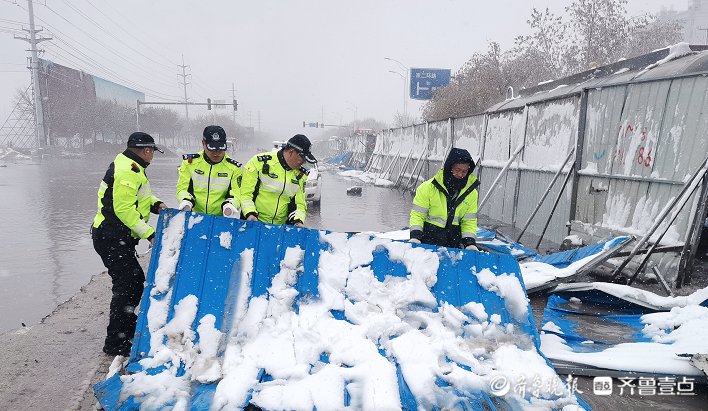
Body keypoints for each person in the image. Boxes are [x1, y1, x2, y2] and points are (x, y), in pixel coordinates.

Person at [91, 131, 167, 356]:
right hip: (111, 237)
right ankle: (116, 341)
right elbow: (123, 209)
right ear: (146, 150)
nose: (152, 155)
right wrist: (150, 234)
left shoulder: (131, 166)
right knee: (129, 285)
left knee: (131, 283)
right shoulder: (128, 171)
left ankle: (125, 332)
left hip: (116, 238)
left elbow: (136, 198)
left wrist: (157, 205)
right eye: (152, 151)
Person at [409, 147, 480, 250]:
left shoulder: (472, 193)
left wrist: (469, 243)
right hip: (427, 244)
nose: (460, 174)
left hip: (454, 245)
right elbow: (418, 215)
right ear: (449, 167)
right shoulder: (427, 188)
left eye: (464, 171)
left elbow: (469, 221)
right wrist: (415, 237)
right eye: (457, 170)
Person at [241, 134, 316, 226]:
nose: (303, 162)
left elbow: (299, 204)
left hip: (280, 230)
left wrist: (297, 221)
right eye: (302, 158)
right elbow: (245, 194)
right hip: (253, 223)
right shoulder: (258, 162)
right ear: (291, 152)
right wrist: (250, 213)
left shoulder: (300, 175)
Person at [176, 125, 242, 217]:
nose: (217, 153)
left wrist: (230, 205)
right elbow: (182, 188)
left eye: (220, 148)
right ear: (203, 143)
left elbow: (237, 194)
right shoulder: (189, 163)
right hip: (193, 217)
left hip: (221, 218)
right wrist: (186, 201)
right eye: (212, 149)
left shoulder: (234, 168)